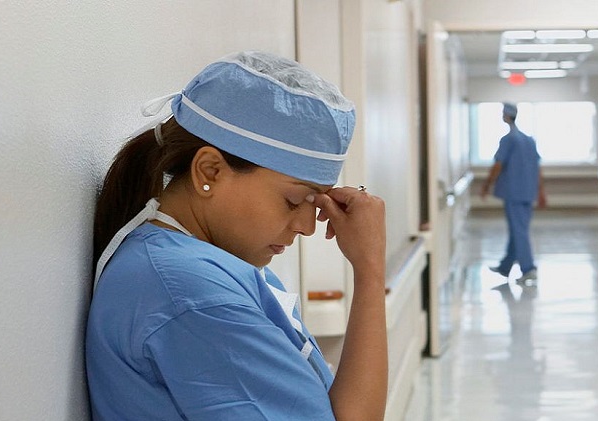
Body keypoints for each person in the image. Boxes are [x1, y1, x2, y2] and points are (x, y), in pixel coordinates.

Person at [86, 51, 388, 420]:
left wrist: (368, 266)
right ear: (209, 171)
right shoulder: (194, 294)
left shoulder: (213, 263)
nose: (308, 226)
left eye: (317, 201)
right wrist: (370, 270)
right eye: (295, 200)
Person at [480, 103, 546, 285]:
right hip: (527, 192)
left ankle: (528, 268)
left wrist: (486, 185)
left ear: (507, 116)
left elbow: (498, 165)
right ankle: (505, 266)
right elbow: (538, 168)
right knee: (518, 229)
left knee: (519, 231)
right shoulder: (529, 140)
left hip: (514, 192)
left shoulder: (508, 140)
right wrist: (540, 191)